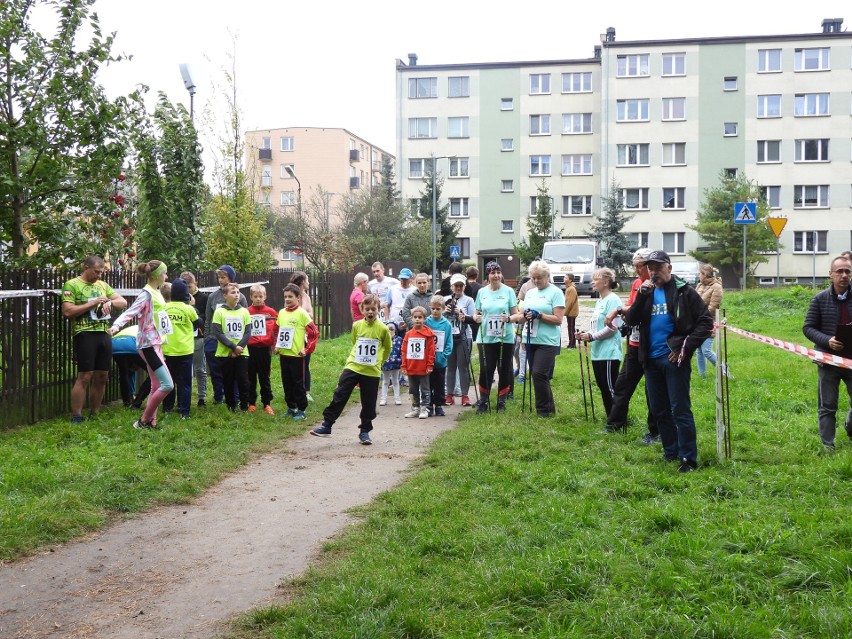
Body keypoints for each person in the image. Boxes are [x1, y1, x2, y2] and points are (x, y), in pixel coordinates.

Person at [624, 250, 712, 472]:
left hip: (674, 359)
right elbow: (632, 319)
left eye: (658, 268)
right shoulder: (647, 292)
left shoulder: (684, 292)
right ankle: (670, 451)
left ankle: (688, 458)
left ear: (669, 269)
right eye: (650, 269)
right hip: (650, 359)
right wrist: (642, 295)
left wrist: (685, 346)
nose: (654, 273)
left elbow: (704, 323)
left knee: (679, 409)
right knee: (659, 409)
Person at [310, 294, 391, 445]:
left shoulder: (383, 329)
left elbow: (388, 347)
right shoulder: (357, 326)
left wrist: (380, 362)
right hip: (353, 366)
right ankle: (327, 425)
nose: (370, 312)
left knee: (368, 402)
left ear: (378, 309)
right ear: (362, 310)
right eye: (367, 309)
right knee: (340, 393)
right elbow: (355, 342)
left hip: (371, 371)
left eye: (373, 309)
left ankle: (365, 431)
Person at [61, 255, 127, 423]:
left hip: (103, 332)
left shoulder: (102, 285)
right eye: (96, 272)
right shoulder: (72, 284)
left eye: (101, 272)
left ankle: (95, 412)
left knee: (102, 375)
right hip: (84, 333)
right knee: (85, 375)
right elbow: (68, 311)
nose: (99, 275)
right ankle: (77, 415)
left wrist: (110, 304)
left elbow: (123, 302)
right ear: (86, 268)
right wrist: (94, 303)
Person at [108, 260, 173, 430]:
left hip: (157, 343)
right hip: (147, 345)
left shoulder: (157, 292)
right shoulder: (147, 294)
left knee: (156, 385)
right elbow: (131, 312)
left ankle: (151, 422)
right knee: (168, 384)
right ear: (158, 275)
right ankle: (143, 420)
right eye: (165, 273)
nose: (166, 276)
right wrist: (116, 326)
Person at [604, 248, 659, 442]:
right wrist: (624, 313)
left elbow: (638, 309)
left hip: (651, 345)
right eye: (634, 265)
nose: (636, 269)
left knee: (652, 390)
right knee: (622, 384)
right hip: (634, 343)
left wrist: (619, 310)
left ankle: (655, 431)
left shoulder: (655, 285)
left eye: (640, 265)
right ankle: (615, 423)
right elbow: (631, 308)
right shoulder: (636, 283)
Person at [802, 255, 852, 451]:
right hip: (828, 360)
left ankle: (850, 426)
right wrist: (827, 341)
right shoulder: (820, 299)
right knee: (828, 405)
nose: (844, 275)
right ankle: (827, 445)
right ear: (830, 274)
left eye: (848, 271)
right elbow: (808, 328)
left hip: (851, 361)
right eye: (839, 271)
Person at [510, 260, 565, 417]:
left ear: (547, 276)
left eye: (538, 278)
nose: (535, 281)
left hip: (548, 340)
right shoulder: (530, 293)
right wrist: (511, 319)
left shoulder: (555, 293)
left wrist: (539, 315)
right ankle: (548, 407)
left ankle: (543, 411)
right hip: (530, 339)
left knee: (539, 373)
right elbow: (522, 315)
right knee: (536, 374)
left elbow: (558, 319)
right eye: (533, 278)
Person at [576, 268, 622, 419]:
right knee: (603, 387)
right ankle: (611, 418)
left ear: (606, 282)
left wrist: (592, 336)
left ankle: (617, 420)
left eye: (596, 279)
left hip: (609, 352)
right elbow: (597, 327)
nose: (593, 282)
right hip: (597, 352)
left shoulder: (613, 300)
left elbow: (613, 328)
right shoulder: (600, 301)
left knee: (610, 388)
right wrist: (585, 334)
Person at [473, 261, 518, 414]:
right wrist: (476, 318)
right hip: (485, 336)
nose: (496, 275)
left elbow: (516, 313)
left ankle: (501, 401)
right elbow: (477, 312)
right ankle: (484, 401)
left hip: (505, 336)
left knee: (504, 369)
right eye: (493, 273)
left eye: (498, 272)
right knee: (486, 368)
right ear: (488, 275)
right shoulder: (482, 292)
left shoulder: (508, 291)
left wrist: (509, 319)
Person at [204, 266, 248, 405]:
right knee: (216, 372)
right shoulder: (212, 297)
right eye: (219, 277)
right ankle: (219, 398)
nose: (220, 280)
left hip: (234, 342)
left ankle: (235, 398)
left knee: (234, 373)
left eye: (223, 277)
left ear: (230, 278)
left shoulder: (240, 297)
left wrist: (238, 345)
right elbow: (208, 320)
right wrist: (206, 339)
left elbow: (245, 320)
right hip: (214, 339)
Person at [276, 283, 319, 420]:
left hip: (297, 356)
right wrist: (277, 345)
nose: (287, 299)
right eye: (285, 297)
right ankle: (291, 407)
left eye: (290, 297)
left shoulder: (302, 314)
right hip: (284, 354)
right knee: (286, 382)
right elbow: (278, 331)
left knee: (298, 383)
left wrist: (306, 349)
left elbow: (314, 332)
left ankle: (302, 410)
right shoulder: (282, 313)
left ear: (298, 298)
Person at [161, 279, 200, 420]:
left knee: (168, 382)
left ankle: (167, 409)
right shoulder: (189, 309)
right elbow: (198, 324)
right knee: (185, 383)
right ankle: (184, 412)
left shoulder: (164, 308)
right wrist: (193, 306)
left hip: (167, 351)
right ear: (186, 294)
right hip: (185, 351)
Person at [211, 282, 252, 413]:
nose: (236, 295)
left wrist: (239, 348)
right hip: (225, 353)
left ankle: (244, 406)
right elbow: (218, 333)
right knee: (228, 380)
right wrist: (233, 347)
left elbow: (248, 332)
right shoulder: (219, 312)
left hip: (242, 352)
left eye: (238, 292)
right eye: (233, 292)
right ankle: (231, 406)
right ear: (225, 295)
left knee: (243, 379)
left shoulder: (244, 311)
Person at [246, 284, 279, 415]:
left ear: (265, 296)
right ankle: (251, 403)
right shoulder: (247, 311)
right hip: (250, 348)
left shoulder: (271, 312)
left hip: (265, 349)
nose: (258, 299)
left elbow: (277, 329)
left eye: (260, 296)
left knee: (265, 377)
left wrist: (275, 344)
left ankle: (267, 403)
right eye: (255, 296)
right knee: (250, 377)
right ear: (251, 297)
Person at [444, 273, 476, 406]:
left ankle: (465, 395)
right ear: (451, 286)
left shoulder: (469, 300)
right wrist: (444, 311)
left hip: (464, 336)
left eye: (460, 286)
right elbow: (438, 315)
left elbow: (473, 318)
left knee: (463, 367)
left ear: (464, 286)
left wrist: (460, 313)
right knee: (450, 367)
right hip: (449, 337)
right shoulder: (445, 299)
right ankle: (449, 395)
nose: (458, 288)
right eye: (456, 285)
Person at [180, 271, 208, 407]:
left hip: (198, 337)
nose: (188, 291)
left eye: (190, 288)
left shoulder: (203, 297)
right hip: (183, 338)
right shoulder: (179, 299)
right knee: (185, 370)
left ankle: (201, 397)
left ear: (195, 284)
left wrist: (192, 308)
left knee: (199, 368)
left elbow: (204, 318)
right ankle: (184, 397)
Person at [401, 306, 436, 419]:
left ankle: (424, 408)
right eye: (415, 317)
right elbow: (404, 350)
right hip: (411, 367)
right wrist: (404, 366)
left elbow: (431, 351)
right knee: (413, 389)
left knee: (425, 389)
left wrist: (430, 365)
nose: (417, 319)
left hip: (423, 368)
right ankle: (415, 408)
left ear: (424, 318)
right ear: (411, 318)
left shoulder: (429, 334)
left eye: (420, 317)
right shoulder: (408, 334)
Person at [289, 271, 316, 402]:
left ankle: (306, 391)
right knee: (294, 364)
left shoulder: (306, 296)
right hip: (294, 335)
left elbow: (311, 314)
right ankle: (294, 391)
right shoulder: (292, 295)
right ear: (302, 282)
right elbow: (289, 314)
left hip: (306, 335)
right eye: (307, 280)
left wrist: (302, 314)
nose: (309, 282)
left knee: (305, 364)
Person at [425, 295, 453, 416]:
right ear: (430, 308)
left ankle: (439, 405)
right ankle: (429, 405)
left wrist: (444, 355)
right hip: (428, 361)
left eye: (438, 309)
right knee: (429, 384)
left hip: (440, 360)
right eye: (433, 308)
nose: (435, 311)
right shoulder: (426, 322)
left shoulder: (446, 324)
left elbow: (449, 342)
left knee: (440, 384)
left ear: (442, 309)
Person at [695, 263, 723, 377]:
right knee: (699, 351)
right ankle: (703, 376)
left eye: (700, 273)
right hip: (696, 323)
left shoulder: (717, 287)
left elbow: (712, 308)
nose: (699, 275)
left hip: (708, 323)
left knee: (706, 351)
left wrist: (699, 315)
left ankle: (725, 372)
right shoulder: (699, 285)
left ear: (705, 275)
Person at [111, 325, 146, 408]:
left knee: (124, 374)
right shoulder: (148, 327)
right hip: (132, 344)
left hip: (115, 344)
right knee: (153, 374)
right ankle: (137, 402)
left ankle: (127, 402)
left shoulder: (135, 327)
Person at [380, 322, 403, 406]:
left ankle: (397, 398)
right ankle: (383, 398)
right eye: (388, 329)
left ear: (395, 330)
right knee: (385, 381)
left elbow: (402, 351)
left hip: (396, 364)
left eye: (392, 329)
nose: (390, 331)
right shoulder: (382, 339)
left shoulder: (399, 339)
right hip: (385, 363)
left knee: (395, 381)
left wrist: (400, 360)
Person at [563, 274, 579, 349]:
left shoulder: (571, 289)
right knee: (570, 327)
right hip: (569, 312)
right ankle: (571, 343)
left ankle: (572, 344)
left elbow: (570, 302)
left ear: (570, 280)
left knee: (571, 328)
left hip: (571, 312)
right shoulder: (568, 288)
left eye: (566, 278)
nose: (564, 278)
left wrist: (565, 312)